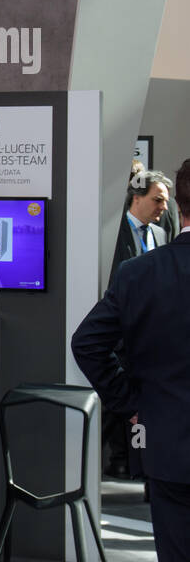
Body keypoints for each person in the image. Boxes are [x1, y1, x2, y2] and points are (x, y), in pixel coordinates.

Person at [73, 158, 190, 562]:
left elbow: (87, 344)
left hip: (168, 448)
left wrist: (131, 401)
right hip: (166, 444)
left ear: (179, 204)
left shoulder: (140, 273)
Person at [103, 169, 171, 478]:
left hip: (151, 340)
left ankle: (134, 464)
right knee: (117, 406)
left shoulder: (158, 234)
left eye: (166, 201)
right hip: (120, 337)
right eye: (157, 200)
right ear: (136, 198)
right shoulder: (111, 233)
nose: (163, 208)